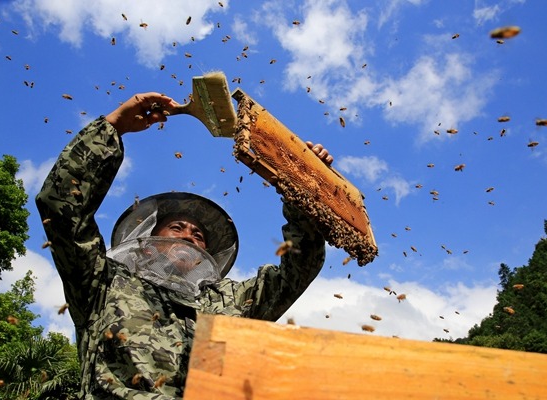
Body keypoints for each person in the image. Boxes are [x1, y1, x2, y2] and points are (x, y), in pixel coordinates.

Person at [36, 92, 334, 399]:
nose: (189, 235)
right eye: (177, 227)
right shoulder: (104, 282)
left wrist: (305, 189)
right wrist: (112, 128)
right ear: (149, 243)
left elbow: (299, 267)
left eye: (198, 235)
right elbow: (61, 209)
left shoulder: (228, 302)